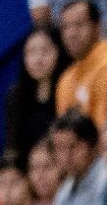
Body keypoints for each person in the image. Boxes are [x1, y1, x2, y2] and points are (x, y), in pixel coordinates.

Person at [54, 0, 107, 128]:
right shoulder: (67, 78)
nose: (71, 34)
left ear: (97, 26)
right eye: (65, 27)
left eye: (79, 25)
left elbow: (104, 128)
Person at [5, 27, 70, 165]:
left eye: (45, 51)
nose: (38, 59)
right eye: (31, 52)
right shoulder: (15, 95)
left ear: (59, 51)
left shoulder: (68, 87)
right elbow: (12, 147)